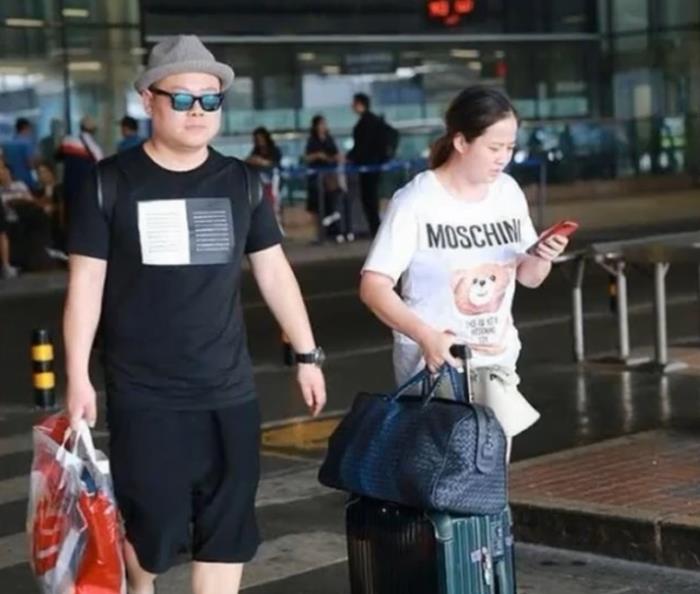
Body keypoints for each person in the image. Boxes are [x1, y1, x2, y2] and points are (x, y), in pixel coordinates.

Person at [63, 34, 326, 594]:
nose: (198, 111)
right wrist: (77, 375)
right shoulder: (108, 184)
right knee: (152, 528)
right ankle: (142, 584)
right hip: (144, 392)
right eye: (182, 99)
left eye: (210, 99)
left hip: (227, 387)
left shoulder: (242, 183)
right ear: (148, 100)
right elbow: (86, 284)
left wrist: (307, 355)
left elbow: (274, 271)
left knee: (227, 528)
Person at [359, 86, 569, 459]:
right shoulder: (417, 201)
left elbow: (529, 277)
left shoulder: (507, 193)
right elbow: (373, 286)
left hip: (497, 366)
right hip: (435, 371)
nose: (504, 158)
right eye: (494, 147)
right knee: (440, 483)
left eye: (510, 147)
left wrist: (543, 256)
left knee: (489, 482)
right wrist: (427, 337)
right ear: (461, 142)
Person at [304, 115, 352, 243]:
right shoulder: (312, 140)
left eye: (324, 124)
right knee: (317, 206)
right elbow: (307, 157)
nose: (323, 126)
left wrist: (335, 158)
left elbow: (336, 154)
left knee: (331, 204)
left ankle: (333, 231)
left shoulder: (329, 139)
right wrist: (317, 155)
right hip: (316, 177)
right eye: (321, 124)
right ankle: (319, 234)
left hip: (330, 176)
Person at [346, 93, 388, 238]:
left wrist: (350, 157)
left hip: (368, 167)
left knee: (369, 198)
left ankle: (375, 229)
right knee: (372, 198)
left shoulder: (366, 123)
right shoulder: (374, 120)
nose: (352, 106)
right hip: (374, 165)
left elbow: (362, 146)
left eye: (354, 103)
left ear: (359, 104)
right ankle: (375, 229)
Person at [57, 115, 104, 221]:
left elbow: (57, 156)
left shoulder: (67, 140)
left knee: (70, 217)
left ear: (80, 127)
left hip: (69, 186)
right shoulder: (95, 147)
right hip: (85, 189)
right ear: (93, 130)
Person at [246, 126, 282, 219]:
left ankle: (276, 219)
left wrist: (261, 162)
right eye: (257, 139)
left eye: (261, 138)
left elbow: (275, 163)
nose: (259, 141)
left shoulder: (274, 150)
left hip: (273, 179)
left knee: (273, 199)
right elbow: (248, 161)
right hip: (260, 181)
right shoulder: (255, 151)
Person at [2, 117, 37, 190]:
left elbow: (4, 162)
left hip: (11, 179)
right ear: (26, 127)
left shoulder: (7, 144)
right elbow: (30, 164)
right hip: (26, 180)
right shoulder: (27, 143)